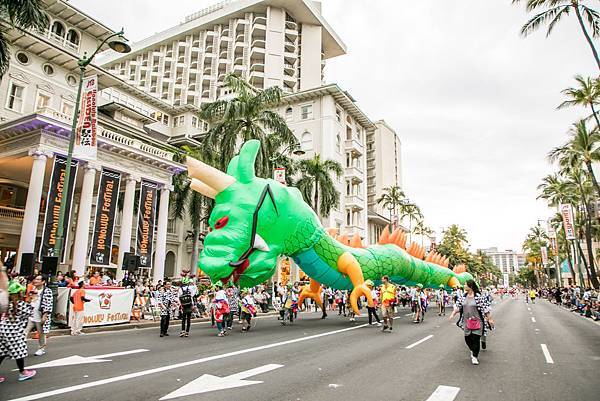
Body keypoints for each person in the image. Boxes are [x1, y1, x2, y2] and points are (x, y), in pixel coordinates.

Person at [449, 280, 494, 365]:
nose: (464, 286)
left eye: (466, 284)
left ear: (471, 286)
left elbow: (486, 309)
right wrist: (453, 314)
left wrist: (490, 319)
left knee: (476, 339)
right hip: (467, 322)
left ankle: (475, 356)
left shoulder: (479, 297)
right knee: (467, 339)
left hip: (478, 321)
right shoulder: (463, 297)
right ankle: (473, 350)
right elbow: (459, 307)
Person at [0, 281, 37, 382]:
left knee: (2, 352)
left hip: (3, 329)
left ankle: (22, 372)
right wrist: (31, 301)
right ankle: (23, 373)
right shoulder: (19, 304)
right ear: (18, 293)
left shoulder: (7, 303)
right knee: (19, 351)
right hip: (13, 331)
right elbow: (29, 312)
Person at [24, 274, 53, 356]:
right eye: (35, 279)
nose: (35, 281)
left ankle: (41, 348)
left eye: (38, 279)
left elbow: (48, 304)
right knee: (24, 333)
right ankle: (21, 349)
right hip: (31, 315)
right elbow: (29, 301)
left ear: (43, 281)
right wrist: (30, 298)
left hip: (40, 316)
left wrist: (45, 316)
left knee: (41, 334)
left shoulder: (47, 291)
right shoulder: (33, 289)